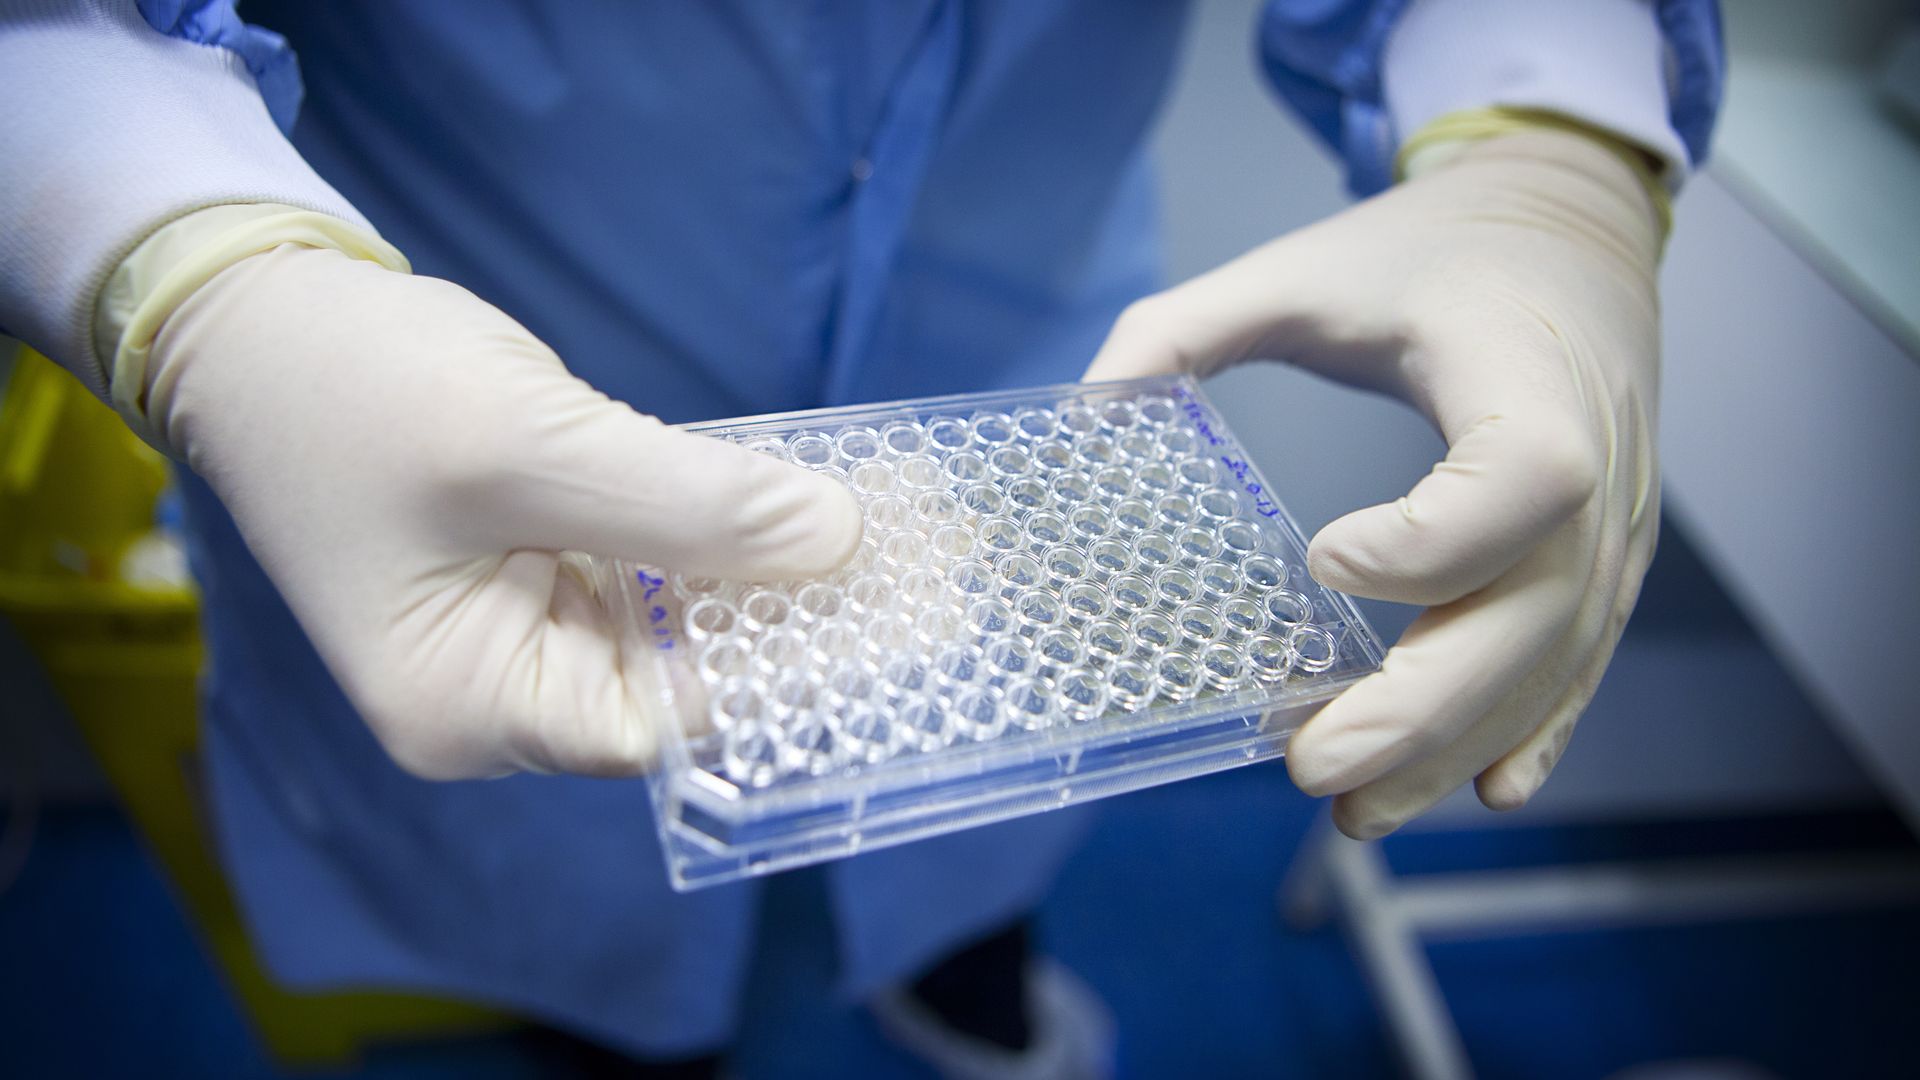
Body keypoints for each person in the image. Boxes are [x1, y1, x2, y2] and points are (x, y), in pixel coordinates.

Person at [0, 0, 1722, 1075]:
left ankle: (957, 973)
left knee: (996, 804)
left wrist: (1548, 137)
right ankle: (619, 1038)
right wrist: (195, 266)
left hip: (1030, 370)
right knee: (574, 857)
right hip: (460, 382)